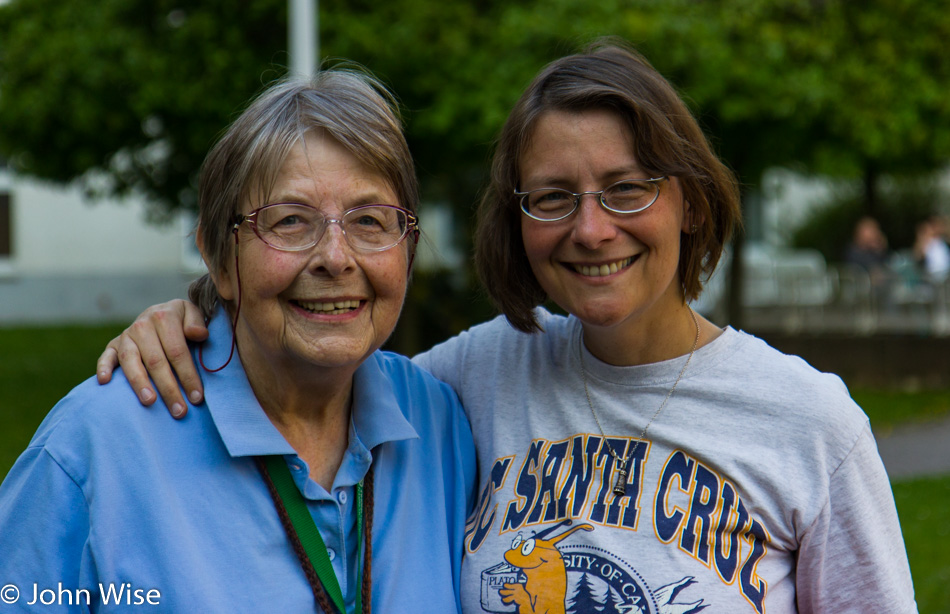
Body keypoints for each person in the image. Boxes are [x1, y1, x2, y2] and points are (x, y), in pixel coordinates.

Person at [96, 41, 917, 613]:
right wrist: (200, 310)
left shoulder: (809, 424)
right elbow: (326, 343)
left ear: (690, 201)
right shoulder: (468, 382)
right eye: (553, 197)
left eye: (626, 189)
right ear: (518, 220)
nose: (592, 230)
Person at [0, 69, 475, 613]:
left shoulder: (439, 424)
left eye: (370, 220)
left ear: (407, 250)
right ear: (219, 258)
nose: (336, 257)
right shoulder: (95, 449)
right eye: (290, 221)